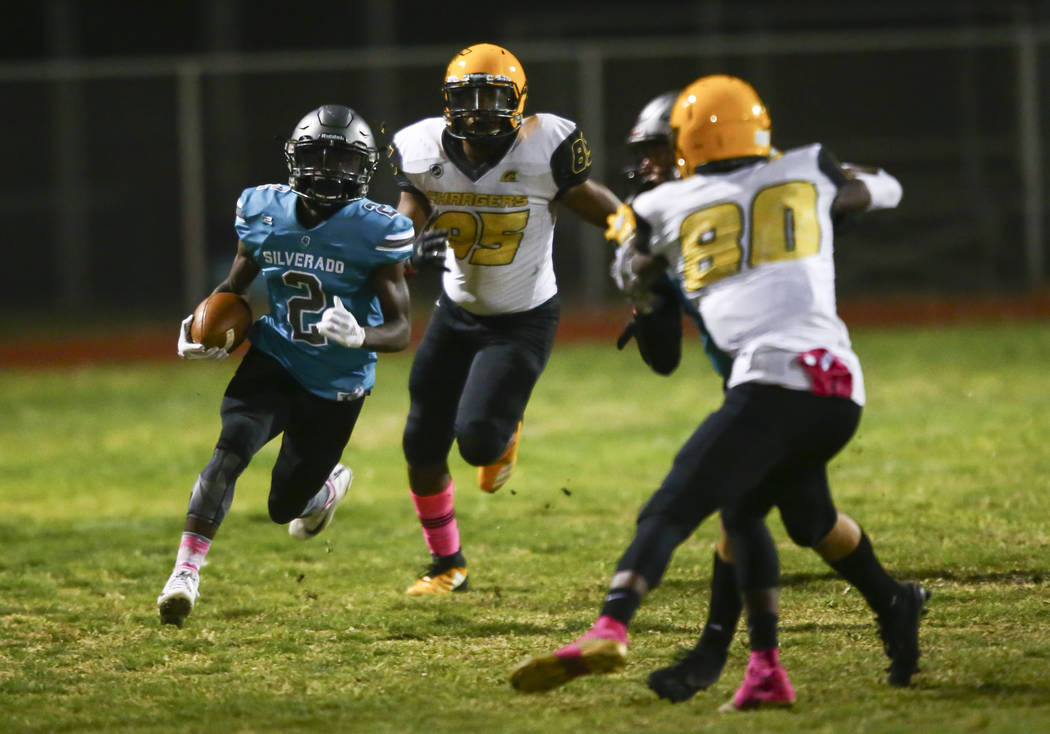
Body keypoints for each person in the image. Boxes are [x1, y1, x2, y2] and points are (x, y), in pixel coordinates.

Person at [509, 75, 928, 710]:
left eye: (660, 149)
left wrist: (643, 296)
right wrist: (836, 197)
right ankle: (858, 621)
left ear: (688, 144)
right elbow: (884, 187)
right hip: (837, 385)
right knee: (793, 517)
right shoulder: (805, 168)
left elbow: (660, 347)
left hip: (772, 384)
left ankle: (614, 625)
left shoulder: (653, 215)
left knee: (678, 501)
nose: (650, 165)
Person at [156, 104, 447, 628]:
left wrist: (361, 335)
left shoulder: (375, 231)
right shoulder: (263, 209)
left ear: (363, 170)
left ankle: (326, 485)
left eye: (343, 159)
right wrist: (198, 325)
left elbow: (402, 330)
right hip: (275, 356)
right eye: (319, 155)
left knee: (284, 506)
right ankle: (185, 573)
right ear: (296, 158)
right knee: (229, 453)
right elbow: (234, 287)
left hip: (336, 384)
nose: (329, 170)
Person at [389, 43, 622, 596]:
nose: (478, 113)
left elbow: (594, 202)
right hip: (455, 312)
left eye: (492, 99)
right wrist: (404, 251)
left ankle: (503, 429)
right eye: (467, 100)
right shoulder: (422, 150)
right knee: (421, 442)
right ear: (448, 104)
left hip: (522, 317)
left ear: (518, 101)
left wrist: (634, 237)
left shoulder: (546, 147)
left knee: (477, 442)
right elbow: (402, 226)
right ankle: (447, 565)